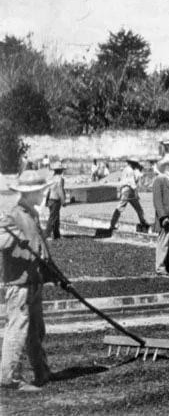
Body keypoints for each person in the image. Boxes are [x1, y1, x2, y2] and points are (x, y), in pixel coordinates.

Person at [0, 170, 55, 391]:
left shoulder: (32, 213)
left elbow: (40, 246)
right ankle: (8, 377)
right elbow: (2, 240)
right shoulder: (13, 215)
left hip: (34, 280)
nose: (43, 194)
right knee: (18, 329)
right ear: (30, 193)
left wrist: (51, 272)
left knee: (36, 330)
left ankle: (41, 371)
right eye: (41, 191)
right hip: (19, 283)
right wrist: (17, 243)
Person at [109, 159, 149, 232]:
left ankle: (143, 222)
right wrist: (135, 192)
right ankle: (112, 225)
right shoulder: (129, 170)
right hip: (128, 190)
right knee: (122, 207)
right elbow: (132, 182)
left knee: (137, 208)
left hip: (128, 190)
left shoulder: (128, 170)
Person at [43, 161, 67, 240]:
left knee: (56, 217)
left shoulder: (51, 178)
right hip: (56, 200)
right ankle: (46, 235)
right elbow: (60, 190)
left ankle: (57, 235)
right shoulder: (60, 179)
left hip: (50, 199)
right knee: (53, 218)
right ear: (60, 170)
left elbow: (48, 190)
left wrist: (46, 201)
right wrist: (63, 201)